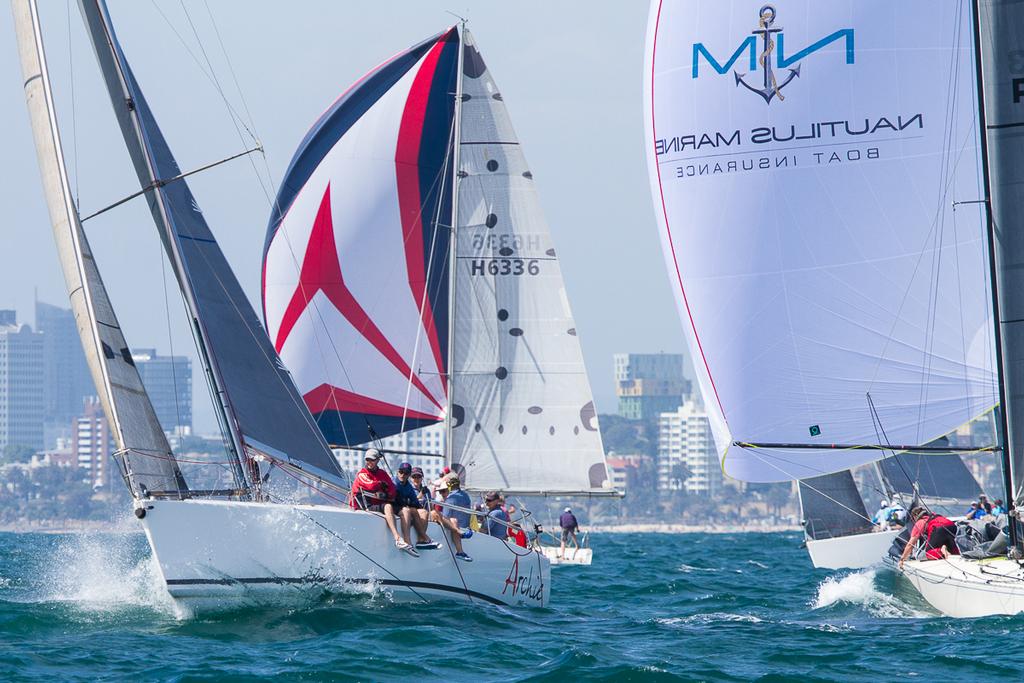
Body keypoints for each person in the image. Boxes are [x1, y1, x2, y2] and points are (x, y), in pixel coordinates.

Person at [350, 449, 417, 557]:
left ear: (377, 460)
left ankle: (408, 542)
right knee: (388, 506)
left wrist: (386, 493)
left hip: (379, 504)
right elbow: (370, 485)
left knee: (405, 510)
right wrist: (381, 484)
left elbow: (392, 490)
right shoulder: (362, 474)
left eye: (372, 460)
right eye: (367, 460)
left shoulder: (383, 473)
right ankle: (397, 539)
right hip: (366, 506)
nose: (369, 462)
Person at [393, 462, 440, 551]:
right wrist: (421, 494)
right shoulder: (394, 482)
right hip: (396, 508)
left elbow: (415, 502)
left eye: (419, 477)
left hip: (408, 508)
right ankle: (412, 541)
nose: (403, 475)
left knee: (424, 511)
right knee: (410, 510)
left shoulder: (409, 487)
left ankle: (421, 540)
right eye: (414, 477)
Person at [438, 476, 473, 561]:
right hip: (466, 529)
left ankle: (460, 551)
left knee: (453, 520)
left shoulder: (451, 498)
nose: (441, 494)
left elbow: (445, 517)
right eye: (440, 492)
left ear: (448, 488)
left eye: (443, 491)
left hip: (457, 531)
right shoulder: (466, 495)